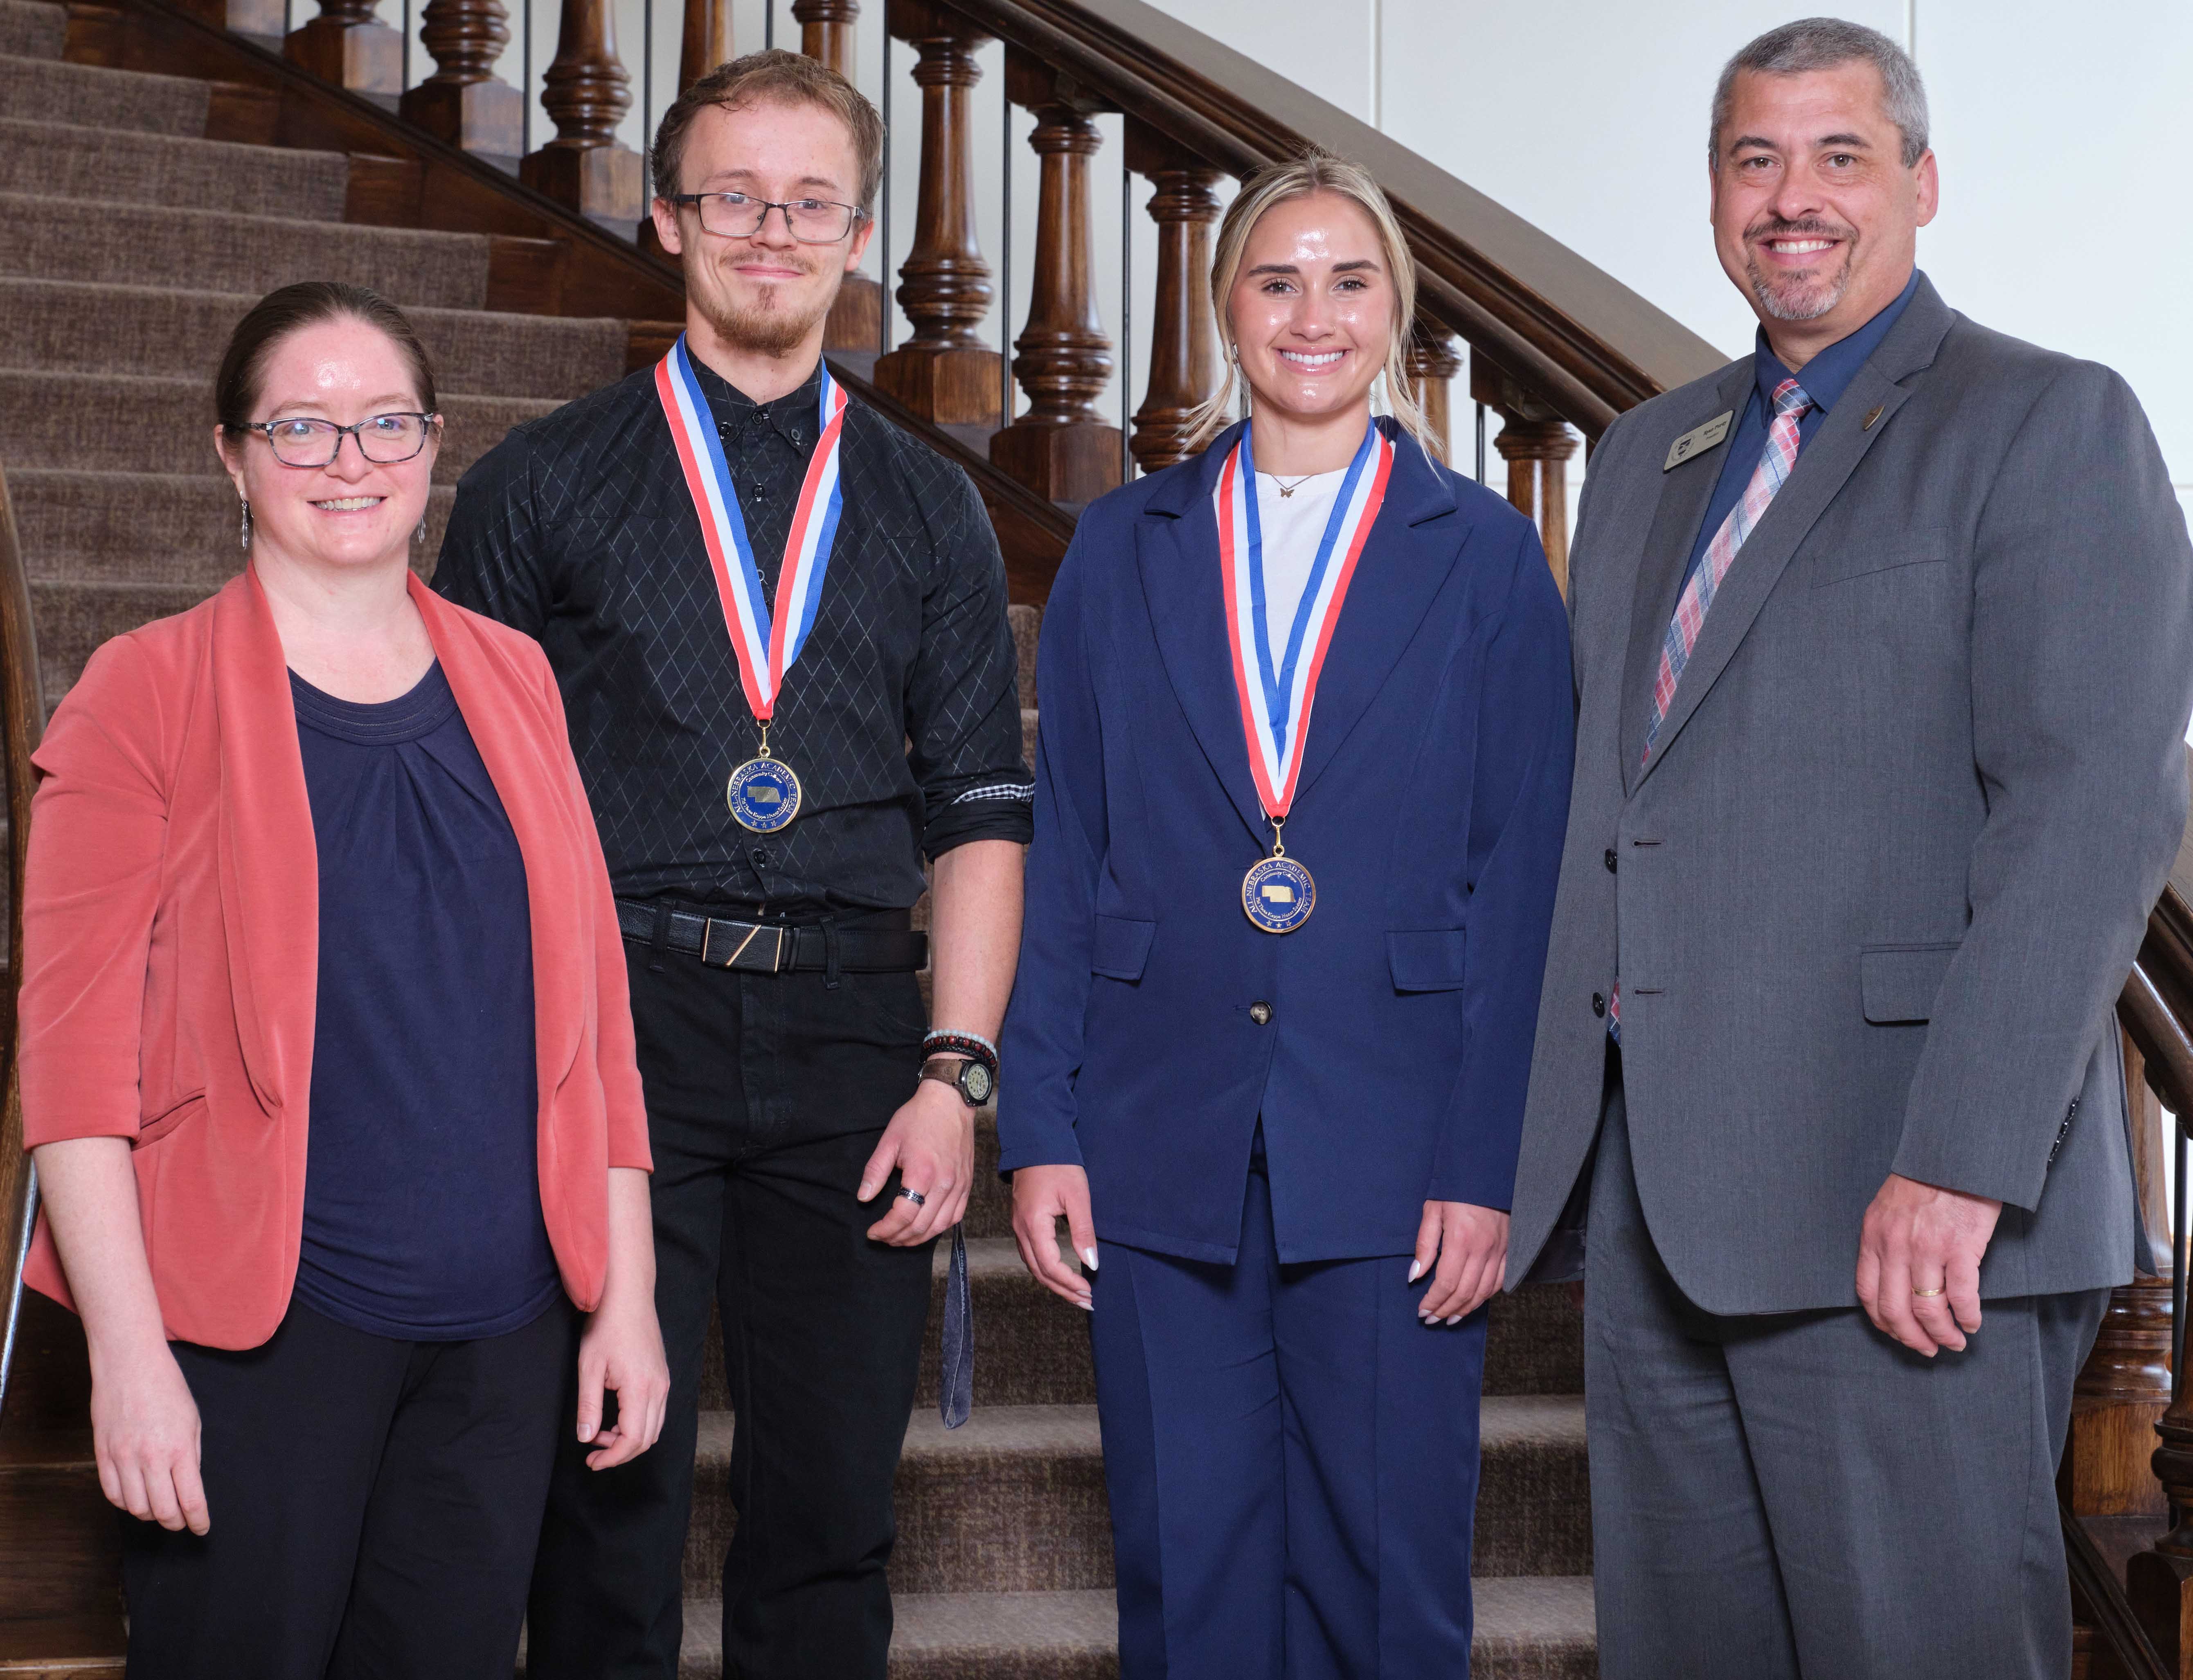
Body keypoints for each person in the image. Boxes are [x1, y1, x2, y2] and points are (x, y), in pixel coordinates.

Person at [1504, 18, 2193, 1680]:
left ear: (1920, 182)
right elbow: (1614, 818)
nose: (1788, 197)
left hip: (1899, 1205)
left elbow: (2087, 805)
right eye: (1752, 160)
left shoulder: (2045, 422)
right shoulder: (1642, 454)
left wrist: (1956, 1158)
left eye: (1835, 155)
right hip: (1658, 1213)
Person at [433, 49, 1031, 1680]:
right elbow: (466, 808)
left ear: (858, 237)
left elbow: (981, 813)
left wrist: (954, 1076)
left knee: (829, 1513)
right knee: (600, 1498)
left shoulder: (929, 507)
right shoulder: (537, 484)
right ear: (667, 214)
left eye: (810, 203)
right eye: (735, 198)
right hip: (614, 1023)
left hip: (855, 1044)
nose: (771, 232)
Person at [16, 280, 668, 1679]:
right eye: (301, 429)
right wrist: (130, 1361)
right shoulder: (145, 690)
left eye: (385, 423)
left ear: (435, 443)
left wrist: (628, 1297)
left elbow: (596, 1024)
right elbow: (72, 1071)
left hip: (504, 1334)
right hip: (255, 1338)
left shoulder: (515, 676)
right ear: (231, 454)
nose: (350, 462)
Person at [1000, 154, 1574, 1678]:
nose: (1310, 314)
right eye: (1275, 278)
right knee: (1186, 1578)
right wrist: (1041, 1123)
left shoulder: (1492, 556)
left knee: (1390, 1586)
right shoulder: (1124, 545)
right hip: (1156, 1127)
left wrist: (1484, 1163)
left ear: (1396, 314)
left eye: (1348, 279)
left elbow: (1524, 887)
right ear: (1223, 308)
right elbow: (1070, 849)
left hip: (1396, 1144)